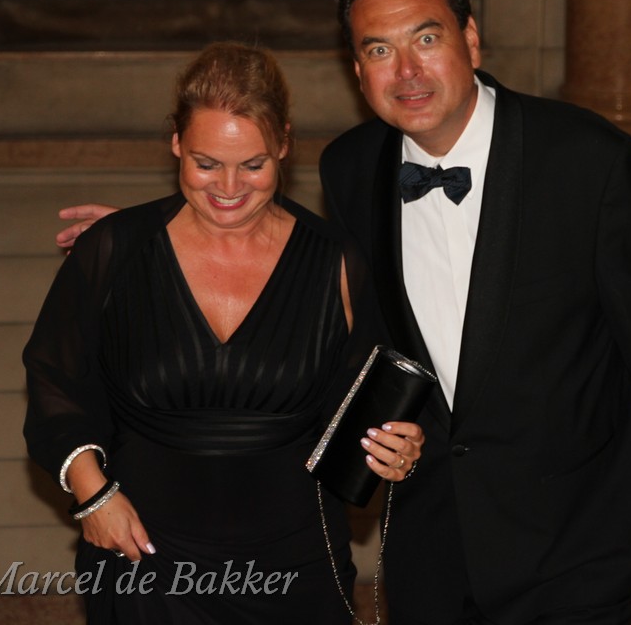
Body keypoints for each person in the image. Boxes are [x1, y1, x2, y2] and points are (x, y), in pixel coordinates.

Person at [58, 0, 631, 624]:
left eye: (426, 38)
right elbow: (296, 261)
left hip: (570, 547)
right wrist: (164, 235)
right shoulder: (351, 167)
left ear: (471, 39)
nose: (407, 71)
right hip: (430, 549)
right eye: (379, 49)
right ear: (357, 69)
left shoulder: (589, 160)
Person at [25, 42, 423, 624]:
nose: (229, 187)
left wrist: (397, 449)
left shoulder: (338, 262)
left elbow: (362, 409)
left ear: (284, 144)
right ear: (176, 144)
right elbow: (54, 383)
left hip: (298, 567)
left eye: (253, 164)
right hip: (144, 557)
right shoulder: (114, 250)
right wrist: (94, 497)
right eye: (207, 163)